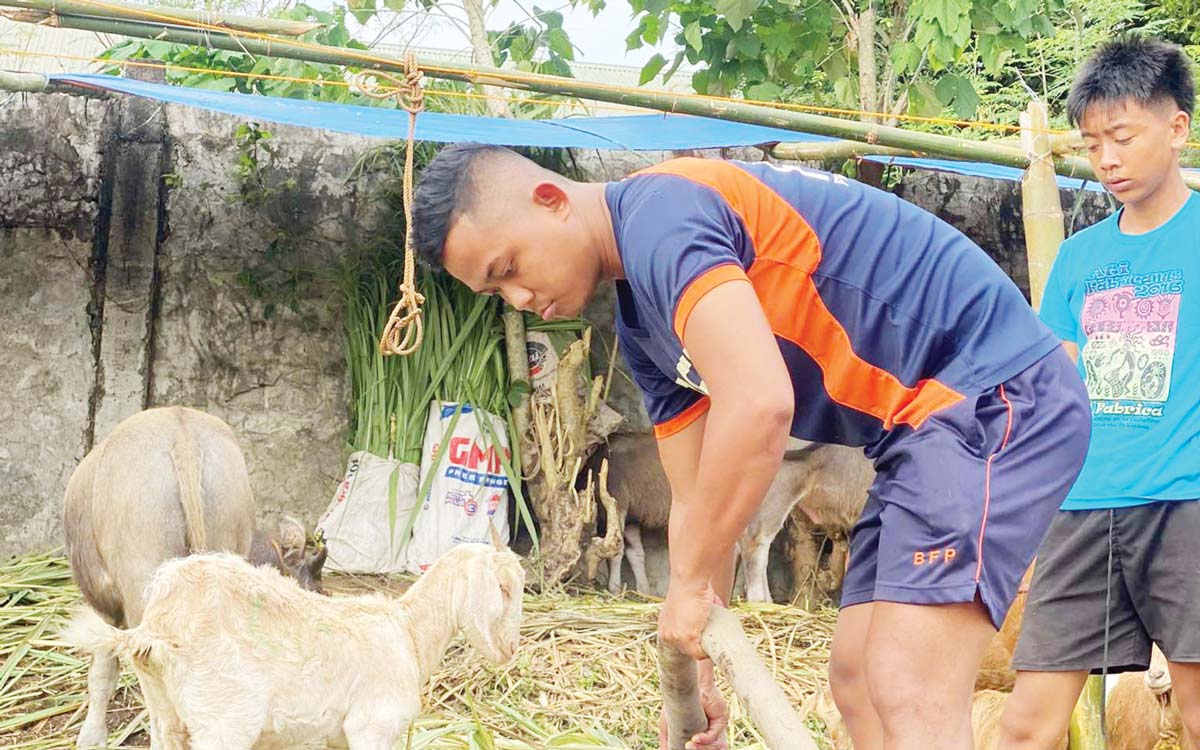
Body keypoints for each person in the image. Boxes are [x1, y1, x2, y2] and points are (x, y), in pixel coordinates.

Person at [410, 142, 1090, 750]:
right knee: (855, 680)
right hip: (914, 435)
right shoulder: (643, 319)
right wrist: (702, 641)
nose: (521, 297)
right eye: (496, 291)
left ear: (552, 200)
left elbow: (761, 405)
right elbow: (694, 495)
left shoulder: (662, 215)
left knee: (909, 687)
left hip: (991, 392)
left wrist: (685, 590)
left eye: (509, 268)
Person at [998, 36, 1200, 749]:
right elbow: (1052, 389)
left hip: (1185, 506)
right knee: (1027, 724)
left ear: (1176, 128)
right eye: (1091, 143)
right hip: (1084, 511)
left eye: (1122, 136)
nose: (1106, 159)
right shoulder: (1082, 259)